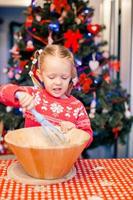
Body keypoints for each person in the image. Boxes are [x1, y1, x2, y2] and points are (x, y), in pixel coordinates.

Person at [0, 45, 93, 146]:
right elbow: (2, 92)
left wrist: (74, 132)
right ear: (41, 76)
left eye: (64, 77)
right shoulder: (34, 95)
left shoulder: (77, 106)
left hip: (65, 160)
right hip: (34, 158)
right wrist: (18, 94)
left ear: (70, 76)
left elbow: (87, 137)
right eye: (51, 77)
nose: (58, 82)